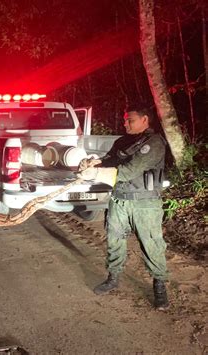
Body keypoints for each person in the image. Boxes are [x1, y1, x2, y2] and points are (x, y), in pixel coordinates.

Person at [78, 104, 169, 310]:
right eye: (125, 119)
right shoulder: (122, 141)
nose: (125, 123)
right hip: (119, 199)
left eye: (130, 120)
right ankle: (113, 277)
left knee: (152, 244)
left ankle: (159, 286)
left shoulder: (153, 143)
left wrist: (95, 175)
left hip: (145, 203)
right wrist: (93, 163)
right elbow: (109, 160)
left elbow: (129, 171)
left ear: (145, 120)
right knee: (114, 239)